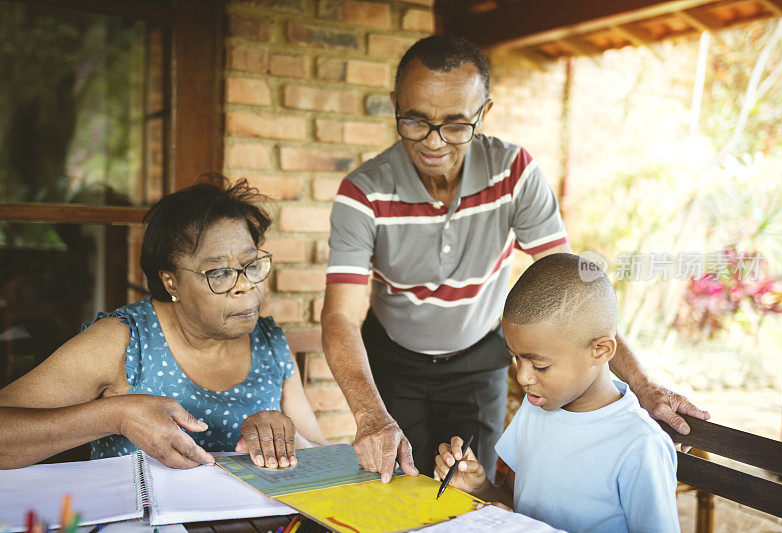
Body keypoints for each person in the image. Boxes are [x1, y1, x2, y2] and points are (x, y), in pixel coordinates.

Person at [321, 34, 708, 484]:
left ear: (484, 112)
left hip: (476, 365)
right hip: (394, 366)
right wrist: (370, 415)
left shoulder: (514, 173)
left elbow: (573, 294)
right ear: (395, 103)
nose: (433, 142)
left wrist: (642, 386)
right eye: (415, 119)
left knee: (465, 494)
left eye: (455, 124)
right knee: (395, 491)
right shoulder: (362, 191)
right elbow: (341, 318)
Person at [0, 175, 328, 470]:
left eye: (252, 265)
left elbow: (320, 454)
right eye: (219, 273)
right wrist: (115, 415)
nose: (246, 286)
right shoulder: (125, 342)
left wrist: (284, 436)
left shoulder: (269, 342)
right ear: (171, 282)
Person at [435, 253, 680, 532]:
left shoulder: (640, 445)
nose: (522, 376)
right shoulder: (535, 408)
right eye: (516, 358)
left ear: (600, 351)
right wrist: (480, 487)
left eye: (539, 365)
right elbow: (515, 504)